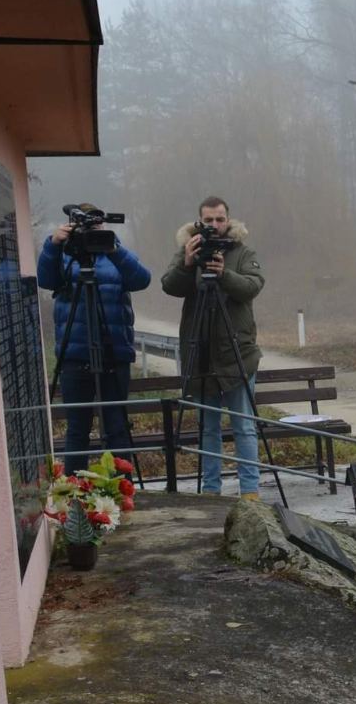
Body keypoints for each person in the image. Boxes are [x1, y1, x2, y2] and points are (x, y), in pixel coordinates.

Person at [161, 196, 265, 500]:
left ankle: (250, 492)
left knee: (244, 427)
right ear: (199, 221)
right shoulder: (187, 250)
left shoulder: (243, 252)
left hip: (238, 354)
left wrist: (224, 274)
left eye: (220, 219)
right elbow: (169, 285)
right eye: (209, 220)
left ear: (228, 220)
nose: (215, 225)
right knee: (208, 429)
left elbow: (253, 286)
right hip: (202, 353)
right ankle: (210, 493)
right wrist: (187, 263)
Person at [38, 208, 151, 474]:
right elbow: (46, 279)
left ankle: (122, 491)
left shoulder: (116, 251)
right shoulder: (66, 254)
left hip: (114, 351)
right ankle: (75, 494)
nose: (89, 229)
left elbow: (142, 279)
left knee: (116, 426)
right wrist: (52, 244)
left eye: (95, 223)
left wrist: (113, 246)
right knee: (77, 428)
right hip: (75, 354)